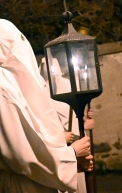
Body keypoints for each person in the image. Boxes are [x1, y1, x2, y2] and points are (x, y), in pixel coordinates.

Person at [0, 18, 93, 193]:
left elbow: (40, 137)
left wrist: (74, 164)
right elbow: (20, 153)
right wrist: (70, 155)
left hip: (40, 182)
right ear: (4, 46)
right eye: (17, 40)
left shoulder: (15, 83)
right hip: (26, 185)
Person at [39, 57, 95, 193]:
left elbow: (74, 115)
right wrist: (61, 136)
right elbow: (43, 123)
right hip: (60, 150)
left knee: (80, 181)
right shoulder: (41, 92)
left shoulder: (67, 86)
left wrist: (84, 122)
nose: (54, 77)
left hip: (77, 146)